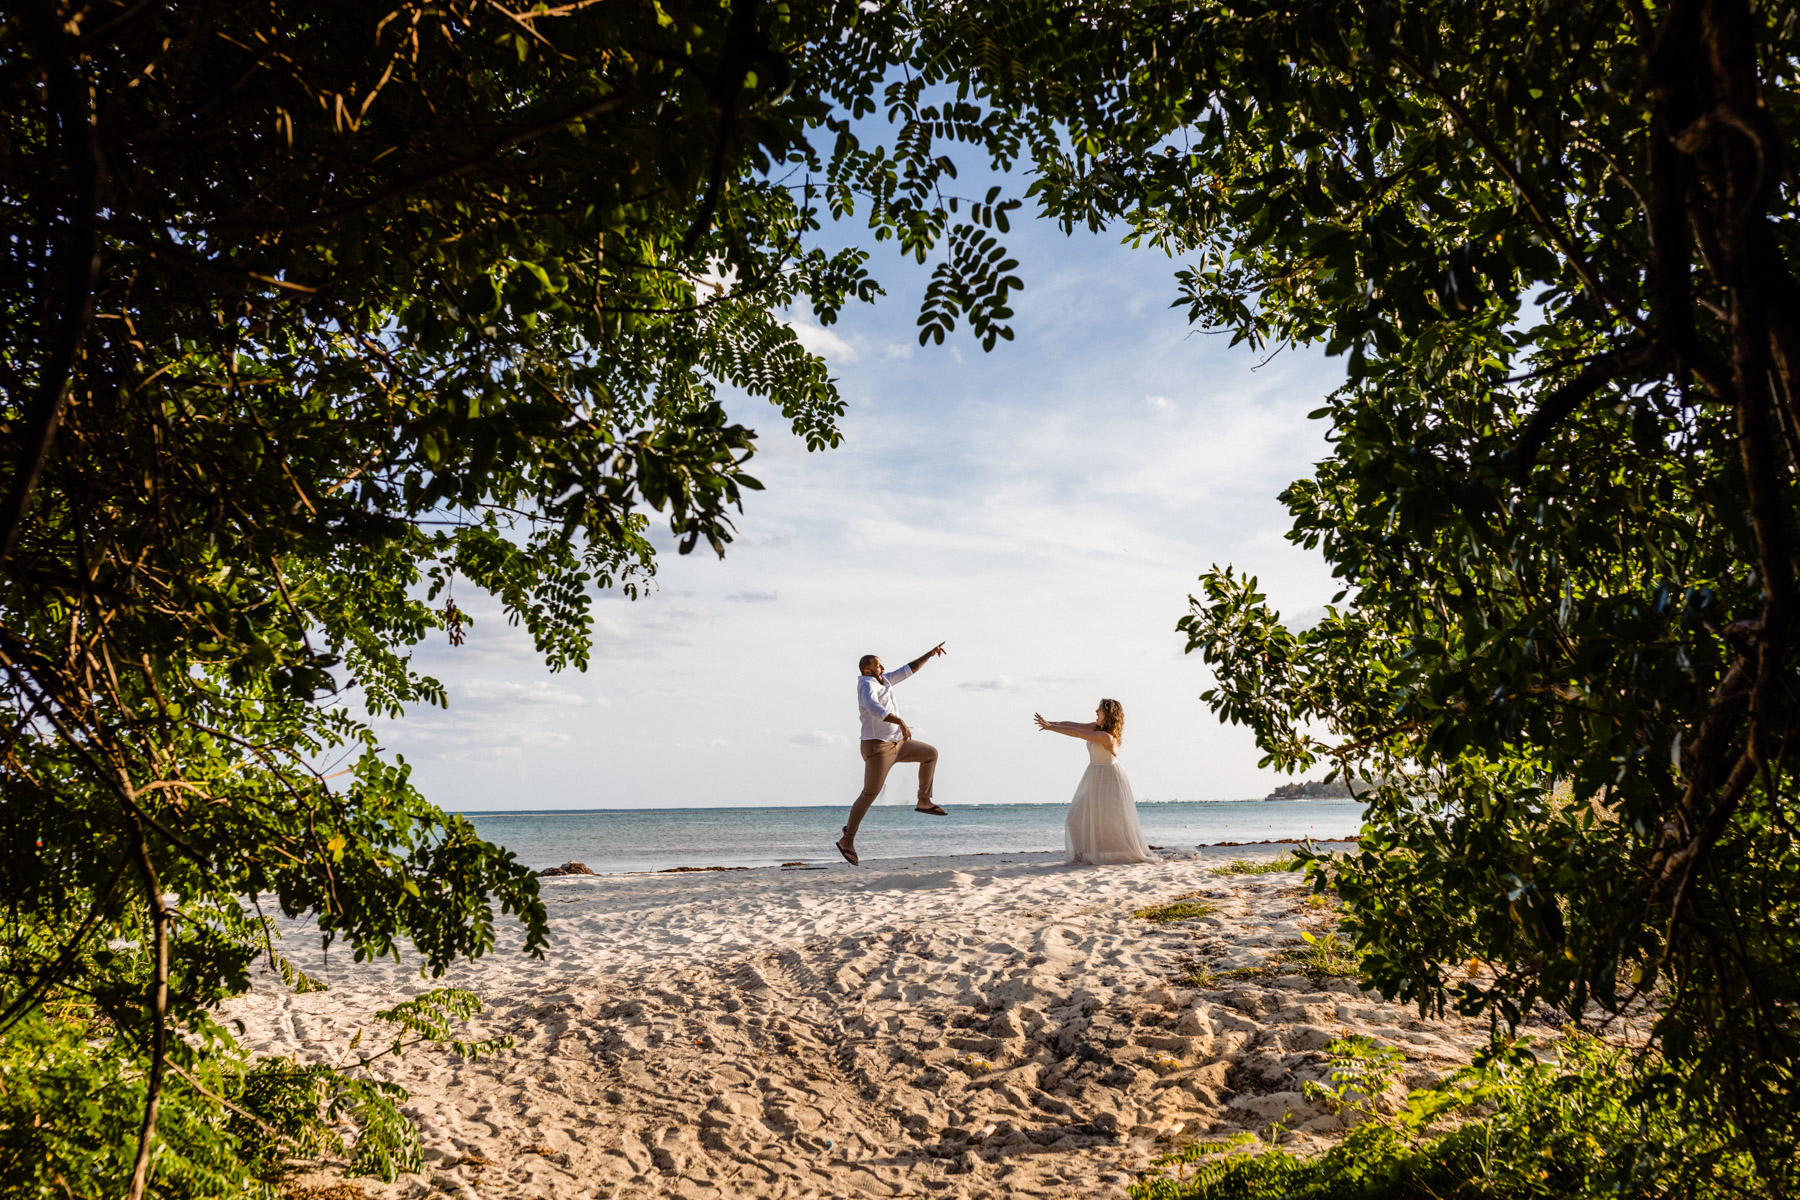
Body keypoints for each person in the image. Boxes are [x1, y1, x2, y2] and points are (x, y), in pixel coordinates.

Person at [836, 643, 948, 866]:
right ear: (868, 670)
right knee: (870, 794)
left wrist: (930, 653)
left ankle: (923, 800)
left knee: (930, 754)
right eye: (878, 665)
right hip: (878, 748)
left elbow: (909, 669)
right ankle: (847, 839)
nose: (883, 667)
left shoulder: (884, 680)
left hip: (898, 744)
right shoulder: (867, 685)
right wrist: (899, 720)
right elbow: (873, 707)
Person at [1034, 699, 1155, 865]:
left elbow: (1076, 733)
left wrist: (1051, 728)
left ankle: (1108, 853)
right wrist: (1051, 723)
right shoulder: (1096, 728)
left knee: (1111, 819)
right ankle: (1082, 855)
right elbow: (1074, 725)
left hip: (1109, 778)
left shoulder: (1106, 736)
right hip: (1095, 774)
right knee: (1075, 817)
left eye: (1100, 710)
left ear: (1108, 715)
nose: (1096, 711)